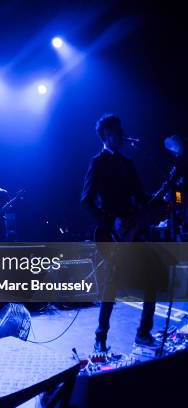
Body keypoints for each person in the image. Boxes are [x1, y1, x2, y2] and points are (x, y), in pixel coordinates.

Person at [81, 114, 159, 352]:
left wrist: (162, 198)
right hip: (111, 233)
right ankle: (100, 337)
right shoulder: (98, 163)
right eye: (117, 131)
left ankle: (143, 333)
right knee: (111, 284)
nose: (122, 134)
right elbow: (86, 201)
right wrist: (110, 222)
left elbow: (140, 196)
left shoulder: (128, 163)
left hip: (133, 229)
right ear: (106, 134)